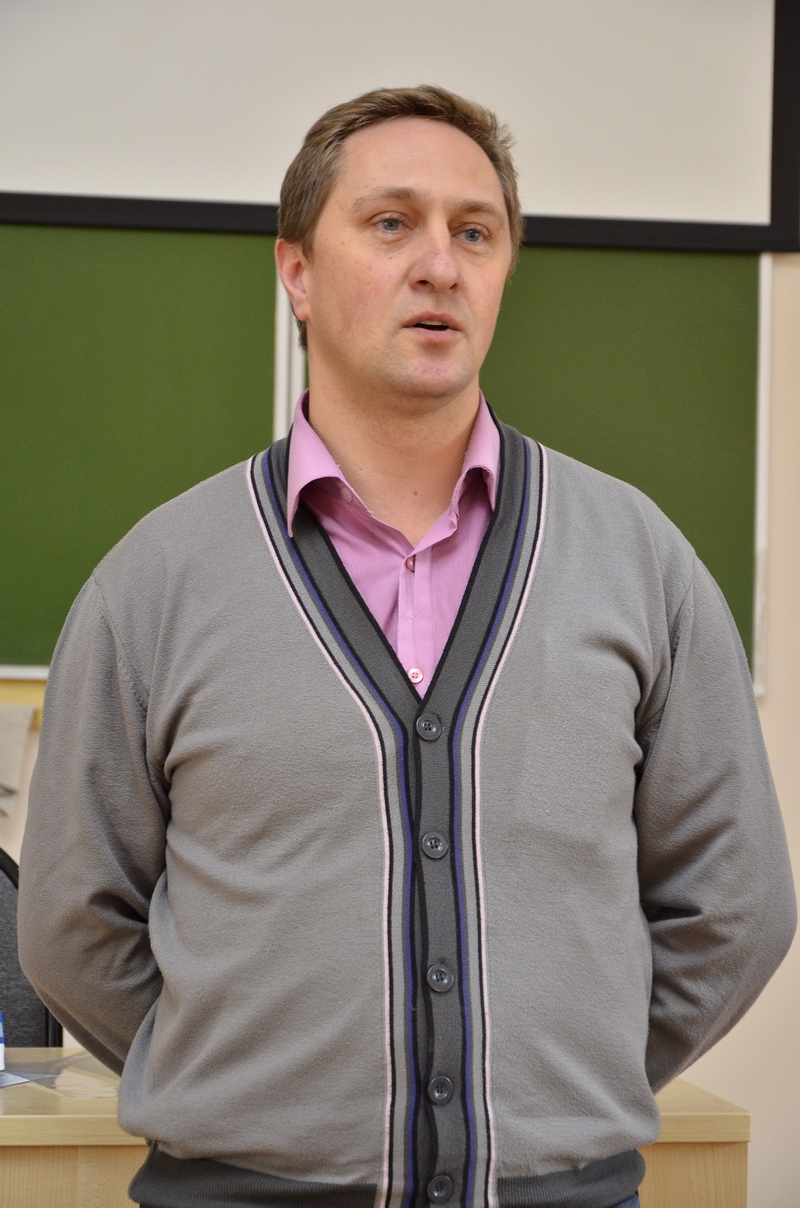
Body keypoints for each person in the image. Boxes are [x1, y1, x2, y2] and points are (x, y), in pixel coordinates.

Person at [19, 86, 795, 1208]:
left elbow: (735, 903)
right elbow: (70, 924)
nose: (440, 264)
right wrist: (237, 1087)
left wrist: (564, 1078)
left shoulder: (638, 561)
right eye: (391, 223)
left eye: (475, 232)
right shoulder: (155, 582)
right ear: (296, 270)